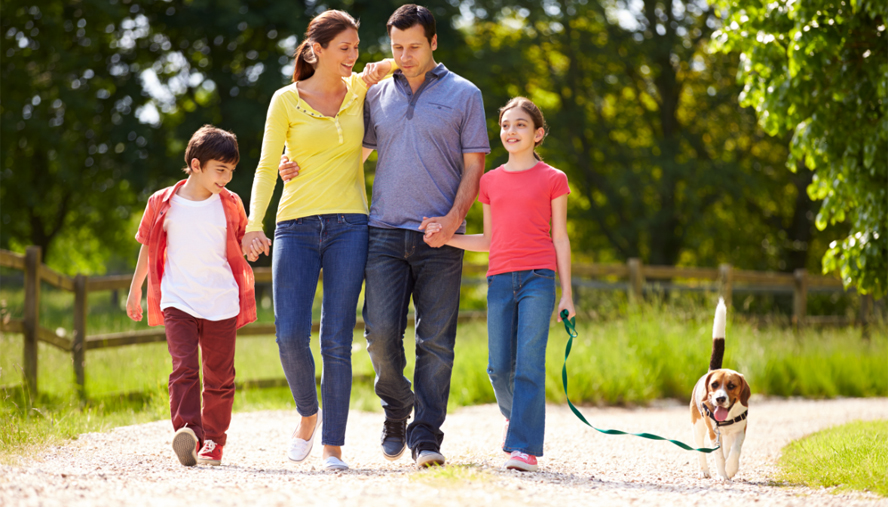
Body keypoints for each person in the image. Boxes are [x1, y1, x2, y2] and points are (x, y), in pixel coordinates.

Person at [279, 4, 490, 469]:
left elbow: (475, 165)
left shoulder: (465, 94)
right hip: (383, 232)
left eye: (414, 46)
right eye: (397, 47)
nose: (406, 55)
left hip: (442, 237)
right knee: (378, 336)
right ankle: (397, 405)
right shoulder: (374, 96)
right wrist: (291, 166)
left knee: (436, 342)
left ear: (434, 43)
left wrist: (455, 220)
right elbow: (349, 154)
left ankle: (426, 436)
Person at [240, 10, 396, 471]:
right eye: (344, 47)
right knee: (289, 335)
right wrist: (254, 222)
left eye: (356, 46)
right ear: (317, 50)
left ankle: (333, 446)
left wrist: (378, 68)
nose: (353, 54)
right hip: (296, 226)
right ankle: (308, 413)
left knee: (335, 340)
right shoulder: (285, 100)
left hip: (351, 225)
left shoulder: (360, 89)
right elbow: (268, 166)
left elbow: (405, 59)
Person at [425, 97, 575, 472]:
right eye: (506, 125)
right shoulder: (489, 181)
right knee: (498, 368)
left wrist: (567, 294)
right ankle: (516, 418)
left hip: (538, 280)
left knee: (528, 364)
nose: (511, 131)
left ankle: (523, 447)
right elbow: (488, 241)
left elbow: (560, 238)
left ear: (538, 134)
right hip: (499, 279)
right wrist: (447, 236)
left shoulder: (554, 178)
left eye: (521, 125)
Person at [125, 125, 257, 467]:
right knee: (183, 367)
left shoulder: (230, 204)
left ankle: (213, 440)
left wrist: (253, 244)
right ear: (196, 165)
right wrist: (135, 290)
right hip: (177, 299)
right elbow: (147, 247)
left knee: (219, 376)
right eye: (220, 170)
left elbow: (244, 241)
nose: (226, 178)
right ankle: (188, 432)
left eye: (231, 171)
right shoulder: (162, 203)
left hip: (221, 301)